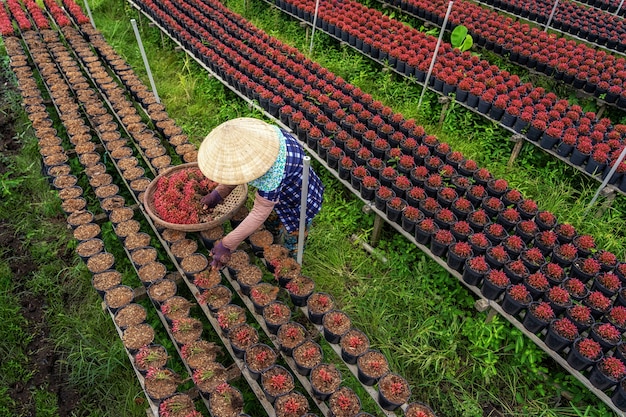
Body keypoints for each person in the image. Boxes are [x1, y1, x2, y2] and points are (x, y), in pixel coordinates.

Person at [197, 117, 324, 267]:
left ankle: (290, 264)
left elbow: (259, 212)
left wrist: (227, 244)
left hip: (299, 198)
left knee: (293, 237)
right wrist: (218, 193)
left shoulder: (272, 174)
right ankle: (274, 241)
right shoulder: (264, 141)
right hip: (281, 192)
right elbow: (239, 169)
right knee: (273, 223)